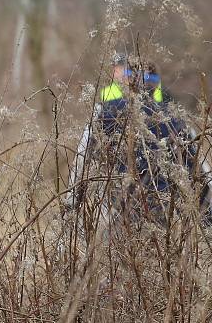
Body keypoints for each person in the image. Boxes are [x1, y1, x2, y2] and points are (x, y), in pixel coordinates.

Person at [68, 59, 211, 224]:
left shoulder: (104, 112)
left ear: (127, 80)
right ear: (156, 85)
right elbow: (199, 174)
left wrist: (71, 204)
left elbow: (82, 159)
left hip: (117, 211)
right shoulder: (176, 120)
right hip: (162, 213)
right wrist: (207, 220)